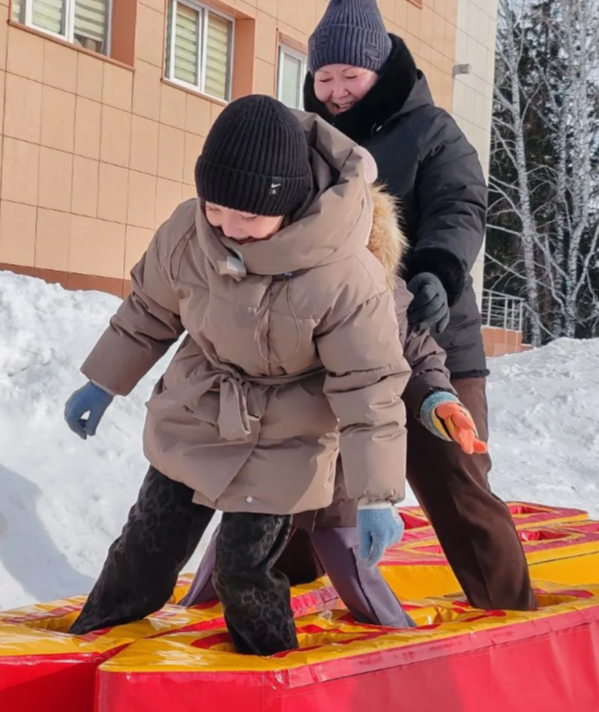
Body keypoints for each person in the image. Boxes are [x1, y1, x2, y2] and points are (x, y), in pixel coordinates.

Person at [185, 0, 536, 618]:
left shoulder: (432, 131)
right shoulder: (299, 139)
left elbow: (461, 207)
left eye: (351, 75)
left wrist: (437, 271)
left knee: (454, 477)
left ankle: (508, 610)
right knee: (298, 472)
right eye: (325, 77)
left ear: (380, 68)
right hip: (331, 341)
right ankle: (278, 603)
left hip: (431, 335)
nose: (337, 90)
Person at [63, 95, 424, 655]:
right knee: (144, 545)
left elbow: (369, 386)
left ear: (289, 201)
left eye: (248, 217)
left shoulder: (345, 275)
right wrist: (104, 379)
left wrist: (376, 494)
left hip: (288, 434)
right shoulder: (189, 231)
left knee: (242, 571)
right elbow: (150, 311)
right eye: (216, 208)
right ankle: (92, 643)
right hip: (198, 407)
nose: (228, 228)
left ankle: (267, 671)